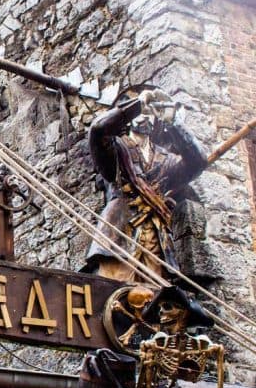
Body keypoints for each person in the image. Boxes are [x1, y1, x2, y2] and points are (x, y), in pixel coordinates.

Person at [82, 88, 207, 282]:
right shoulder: (115, 148)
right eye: (142, 113)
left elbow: (198, 162)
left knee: (153, 295)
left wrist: (173, 122)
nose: (145, 117)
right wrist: (137, 105)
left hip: (157, 239)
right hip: (119, 235)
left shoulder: (165, 159)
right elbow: (98, 130)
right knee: (115, 290)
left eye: (150, 112)